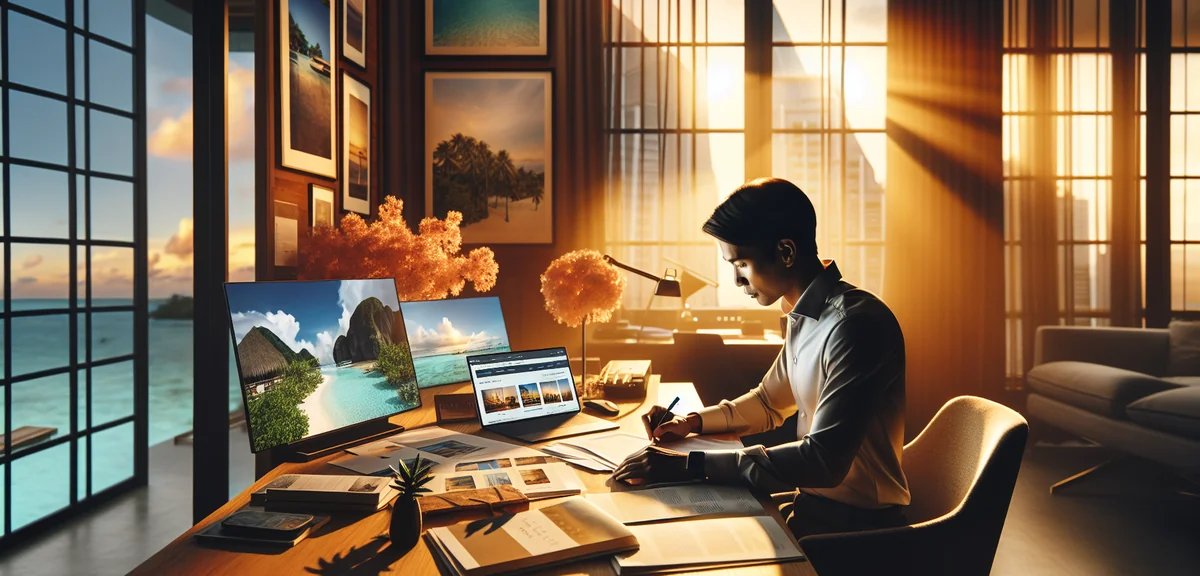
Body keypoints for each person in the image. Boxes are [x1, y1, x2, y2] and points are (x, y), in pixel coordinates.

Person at [611, 177, 910, 538]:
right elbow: (769, 403)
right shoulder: (807, 316)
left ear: (786, 252)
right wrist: (691, 422)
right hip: (812, 508)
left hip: (857, 532)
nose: (737, 281)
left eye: (741, 263)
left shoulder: (855, 327)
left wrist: (689, 465)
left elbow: (823, 462)